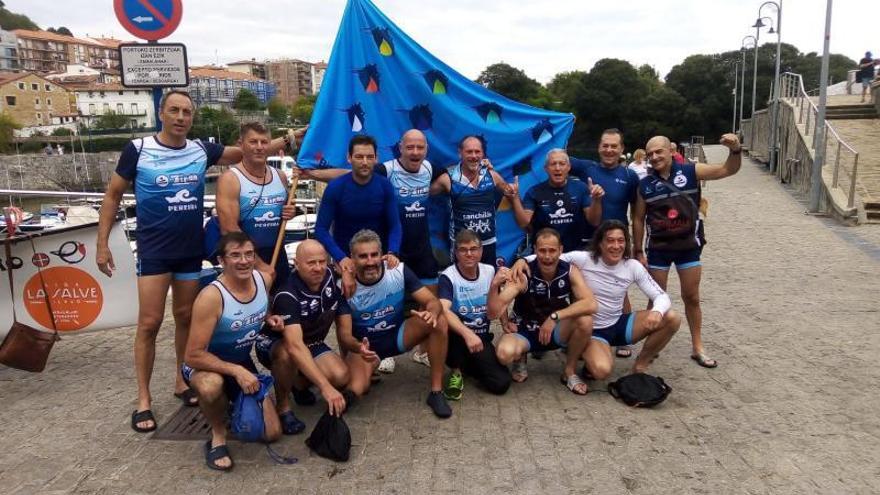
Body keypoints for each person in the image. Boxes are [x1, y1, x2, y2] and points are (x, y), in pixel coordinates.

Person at [95, 90, 293, 433]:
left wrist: (288, 138)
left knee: (185, 318)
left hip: (190, 249)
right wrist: (102, 244)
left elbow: (249, 150)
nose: (181, 117)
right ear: (161, 112)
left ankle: (180, 381)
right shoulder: (139, 149)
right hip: (155, 250)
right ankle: (143, 399)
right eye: (174, 110)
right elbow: (112, 195)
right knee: (149, 323)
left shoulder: (201, 149)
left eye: (187, 111)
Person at [301, 129, 447, 369]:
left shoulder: (384, 186)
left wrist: (392, 252)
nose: (365, 162)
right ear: (349, 158)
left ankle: (383, 350)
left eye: (369, 157)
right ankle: (349, 362)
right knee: (346, 312)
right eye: (359, 157)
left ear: (376, 158)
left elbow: (394, 225)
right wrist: (341, 260)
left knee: (384, 302)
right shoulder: (336, 188)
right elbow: (320, 230)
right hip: (347, 261)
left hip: (374, 258)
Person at [513, 220, 681, 380]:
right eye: (610, 241)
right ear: (600, 243)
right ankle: (588, 353)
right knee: (601, 371)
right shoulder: (584, 258)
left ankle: (641, 365)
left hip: (619, 324)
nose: (616, 246)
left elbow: (661, 296)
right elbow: (550, 256)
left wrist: (657, 311)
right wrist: (522, 260)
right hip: (592, 330)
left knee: (672, 318)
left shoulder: (632, 266)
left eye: (621, 241)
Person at [632, 134, 742, 369]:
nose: (654, 157)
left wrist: (735, 150)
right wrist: (638, 250)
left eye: (659, 152)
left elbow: (727, 170)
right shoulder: (645, 184)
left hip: (688, 247)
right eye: (650, 154)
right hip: (659, 248)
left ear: (671, 151)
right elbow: (638, 219)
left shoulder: (691, 171)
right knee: (655, 300)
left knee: (691, 298)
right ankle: (651, 347)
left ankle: (697, 346)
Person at [182, 232, 283, 471]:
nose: (244, 260)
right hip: (204, 364)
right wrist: (236, 370)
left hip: (240, 360)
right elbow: (192, 355)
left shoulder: (263, 279)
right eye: (235, 255)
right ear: (222, 261)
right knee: (210, 386)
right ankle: (217, 436)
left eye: (249, 254)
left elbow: (261, 305)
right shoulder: (211, 297)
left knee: (272, 433)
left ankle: (228, 401)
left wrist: (270, 318)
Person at [342, 229, 453, 418]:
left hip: (398, 336)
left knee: (438, 321)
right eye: (362, 256)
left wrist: (432, 313)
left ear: (382, 254)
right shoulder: (344, 285)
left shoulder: (398, 270)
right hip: (366, 348)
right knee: (355, 391)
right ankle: (363, 375)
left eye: (374, 255)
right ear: (351, 258)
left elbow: (432, 301)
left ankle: (436, 392)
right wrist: (358, 348)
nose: (370, 261)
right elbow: (344, 336)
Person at [254, 239, 349, 435]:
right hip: (277, 344)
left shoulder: (330, 275)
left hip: (311, 341)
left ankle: (298, 383)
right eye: (311, 263)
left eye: (321, 261)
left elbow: (347, 267)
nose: (318, 268)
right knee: (288, 356)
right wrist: (325, 388)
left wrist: (348, 274)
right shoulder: (287, 294)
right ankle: (283, 406)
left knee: (341, 377)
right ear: (297, 264)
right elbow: (295, 345)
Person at [488, 228, 596, 393]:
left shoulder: (570, 271)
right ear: (535, 251)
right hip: (525, 330)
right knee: (504, 354)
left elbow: (591, 304)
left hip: (555, 329)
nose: (547, 256)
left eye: (552, 250)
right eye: (542, 250)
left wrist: (555, 317)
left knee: (586, 321)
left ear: (561, 250)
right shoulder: (524, 274)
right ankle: (520, 357)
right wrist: (497, 291)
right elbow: (495, 309)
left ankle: (569, 372)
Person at [569, 128, 640, 358]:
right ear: (599, 147)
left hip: (618, 242)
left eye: (614, 146)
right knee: (581, 286)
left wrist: (638, 248)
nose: (609, 150)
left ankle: (622, 336)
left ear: (622, 149)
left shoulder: (630, 177)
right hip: (588, 239)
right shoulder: (586, 168)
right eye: (605, 145)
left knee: (619, 286)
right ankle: (579, 333)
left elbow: (638, 214)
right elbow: (555, 155)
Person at [216, 122, 297, 291]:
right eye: (253, 142)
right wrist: (258, 265)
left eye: (264, 142)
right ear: (241, 144)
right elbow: (229, 229)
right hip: (245, 259)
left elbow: (285, 212)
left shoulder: (280, 176)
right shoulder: (230, 179)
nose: (259, 147)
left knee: (285, 309)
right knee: (255, 314)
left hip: (277, 255)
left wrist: (289, 211)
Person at [438, 229, 512, 400]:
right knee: (444, 323)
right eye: (463, 250)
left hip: (481, 338)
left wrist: (505, 322)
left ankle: (470, 365)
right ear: (456, 253)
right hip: (458, 337)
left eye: (473, 249)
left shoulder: (490, 271)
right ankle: (456, 371)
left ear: (481, 251)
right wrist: (467, 334)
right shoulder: (448, 276)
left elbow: (499, 300)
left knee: (501, 383)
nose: (469, 254)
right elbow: (443, 308)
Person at [431, 135, 512, 266]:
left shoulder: (492, 175)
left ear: (483, 154)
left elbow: (508, 191)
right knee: (462, 284)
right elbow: (423, 193)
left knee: (489, 283)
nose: (474, 156)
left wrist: (511, 191)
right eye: (469, 151)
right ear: (460, 153)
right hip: (462, 247)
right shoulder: (448, 178)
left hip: (487, 244)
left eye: (477, 151)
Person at [507, 148, 604, 253]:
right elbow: (523, 222)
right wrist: (515, 198)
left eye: (562, 164)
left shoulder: (581, 188)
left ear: (569, 167)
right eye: (553, 164)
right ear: (546, 168)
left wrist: (596, 200)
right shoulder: (534, 191)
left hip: (575, 251)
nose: (557, 168)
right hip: (544, 253)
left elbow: (594, 221)